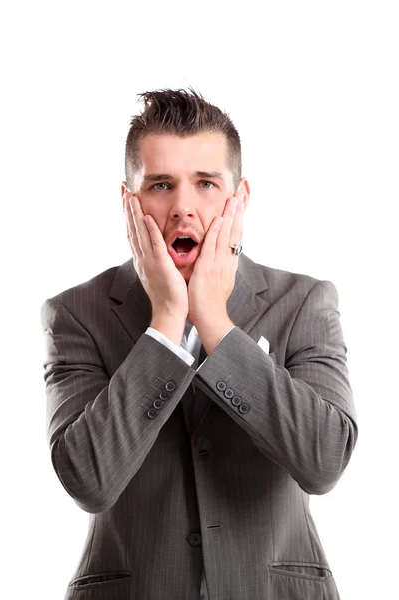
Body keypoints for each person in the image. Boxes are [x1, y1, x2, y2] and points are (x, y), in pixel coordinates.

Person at [40, 87, 358, 600]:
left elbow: (323, 462)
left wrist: (213, 321)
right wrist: (167, 321)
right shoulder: (76, 313)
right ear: (129, 202)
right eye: (161, 185)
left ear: (240, 199)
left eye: (206, 183)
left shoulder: (305, 302)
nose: (183, 207)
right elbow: (88, 480)